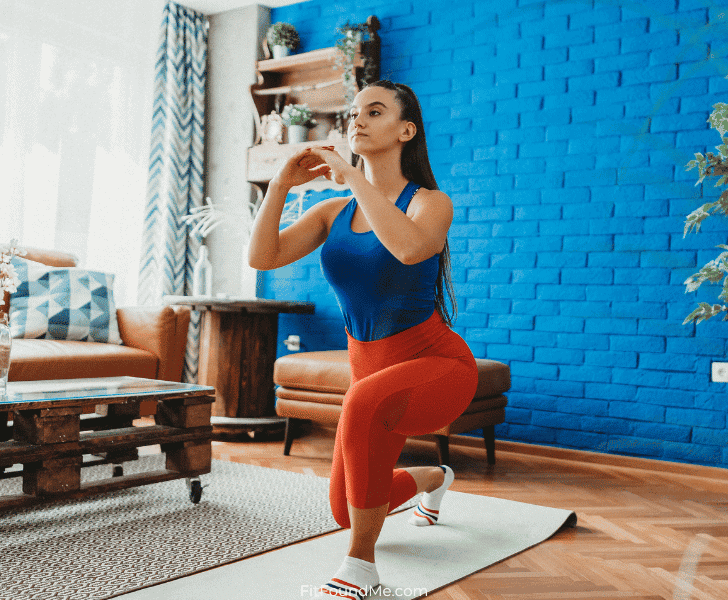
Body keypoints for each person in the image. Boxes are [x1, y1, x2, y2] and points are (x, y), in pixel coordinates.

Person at [248, 80, 479, 599]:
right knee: (343, 508)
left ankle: (361, 572)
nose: (357, 120)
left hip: (436, 367)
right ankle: (433, 479)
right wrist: (279, 186)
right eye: (353, 113)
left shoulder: (430, 203)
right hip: (371, 373)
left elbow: (408, 249)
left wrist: (352, 174)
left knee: (361, 402)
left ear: (406, 130)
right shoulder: (332, 213)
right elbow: (262, 257)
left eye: (374, 112)